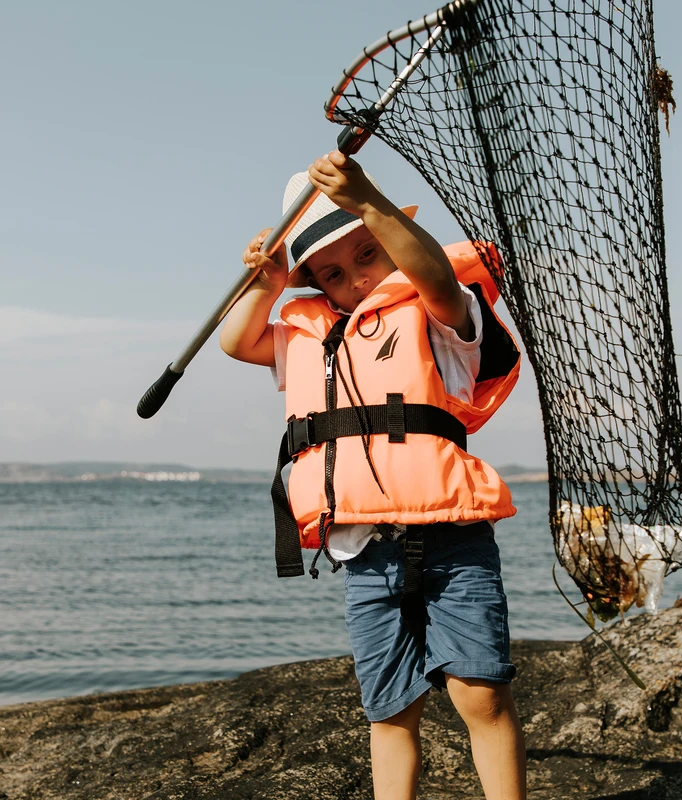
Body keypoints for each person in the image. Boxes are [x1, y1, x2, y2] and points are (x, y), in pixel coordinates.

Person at [220, 150, 527, 800]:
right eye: (330, 272)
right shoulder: (311, 334)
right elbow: (235, 341)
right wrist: (265, 283)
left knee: (480, 695)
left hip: (454, 537)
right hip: (366, 555)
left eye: (366, 255)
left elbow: (435, 277)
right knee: (389, 711)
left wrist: (369, 204)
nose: (355, 279)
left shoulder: (437, 309)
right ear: (314, 285)